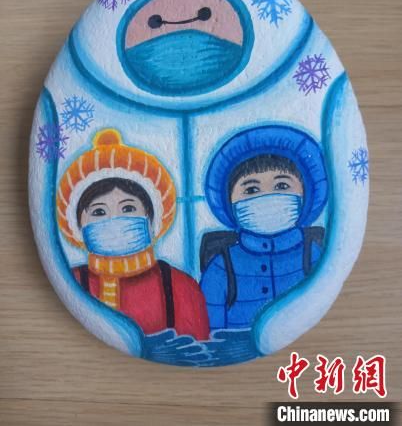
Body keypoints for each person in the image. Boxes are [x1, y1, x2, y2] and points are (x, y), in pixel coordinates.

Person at [57, 128, 209, 340]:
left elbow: (196, 348)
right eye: (99, 212)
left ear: (152, 218)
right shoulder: (70, 282)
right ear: (77, 226)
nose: (114, 219)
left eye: (128, 208)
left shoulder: (180, 286)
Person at [200, 125, 329, 331]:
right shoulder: (221, 266)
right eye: (251, 189)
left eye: (282, 186)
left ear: (306, 193)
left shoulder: (314, 255)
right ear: (228, 201)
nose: (267, 196)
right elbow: (209, 332)